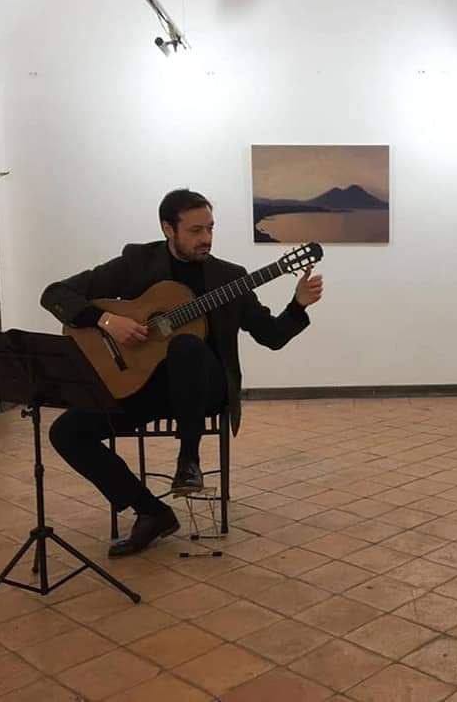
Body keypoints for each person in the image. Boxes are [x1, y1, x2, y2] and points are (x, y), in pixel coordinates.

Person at [41, 189, 323, 557]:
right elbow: (56, 294)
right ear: (167, 229)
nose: (206, 238)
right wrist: (107, 320)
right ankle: (151, 512)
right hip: (143, 387)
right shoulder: (137, 263)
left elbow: (272, 337)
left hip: (205, 389)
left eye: (210, 228)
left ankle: (189, 461)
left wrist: (298, 305)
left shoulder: (229, 278)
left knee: (186, 346)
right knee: (66, 432)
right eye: (195, 230)